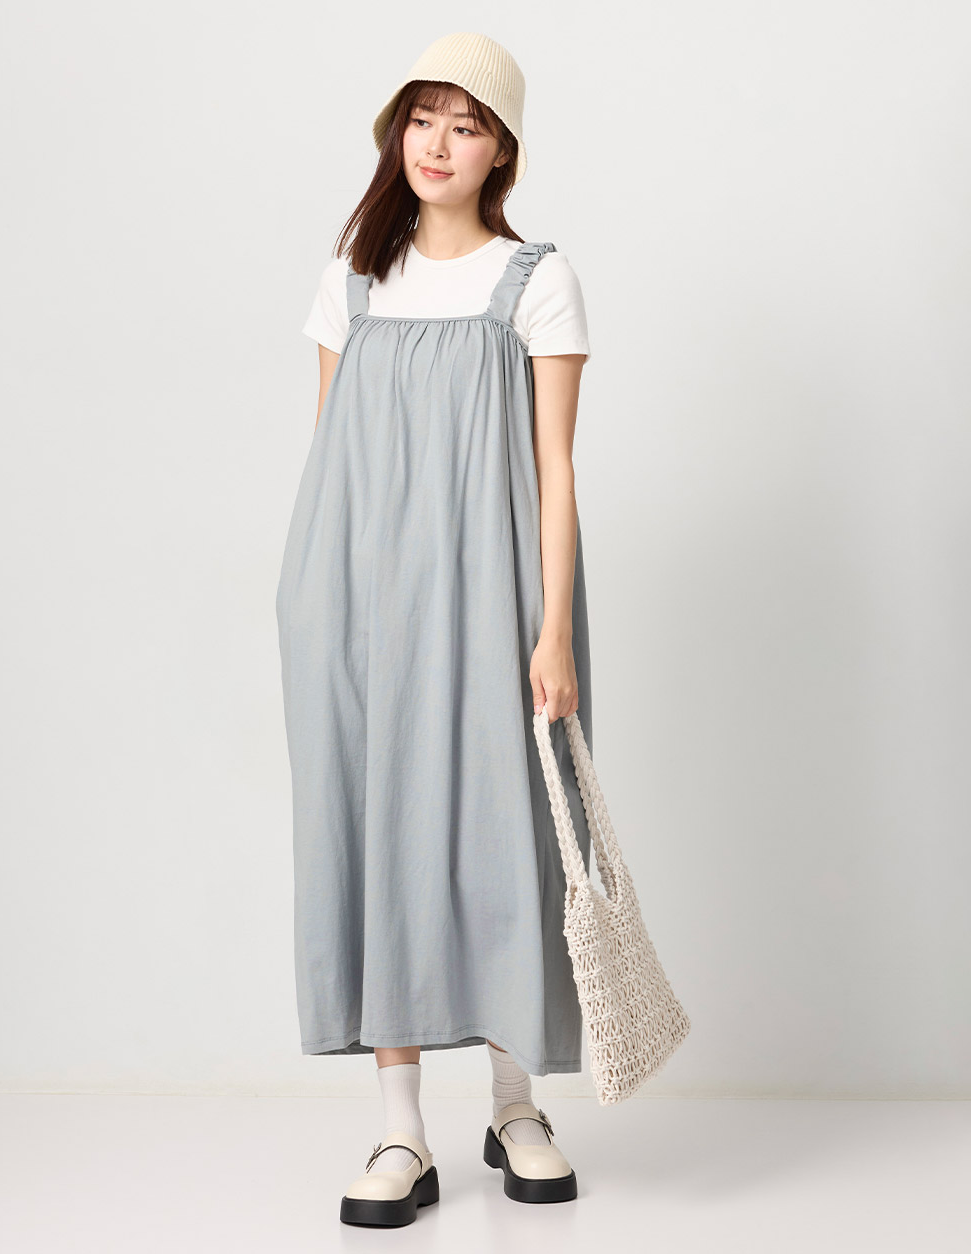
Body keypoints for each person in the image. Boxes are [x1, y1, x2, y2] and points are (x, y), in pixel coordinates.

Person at [276, 31, 596, 1227]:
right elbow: (333, 457)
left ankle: (516, 1107)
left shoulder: (537, 280)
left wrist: (550, 631)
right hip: (357, 605)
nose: (439, 144)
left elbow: (554, 470)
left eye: (467, 125)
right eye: (423, 118)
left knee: (509, 834)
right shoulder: (353, 281)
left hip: (497, 593)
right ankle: (399, 1130)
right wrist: (312, 602)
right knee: (378, 835)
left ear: (500, 151)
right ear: (395, 131)